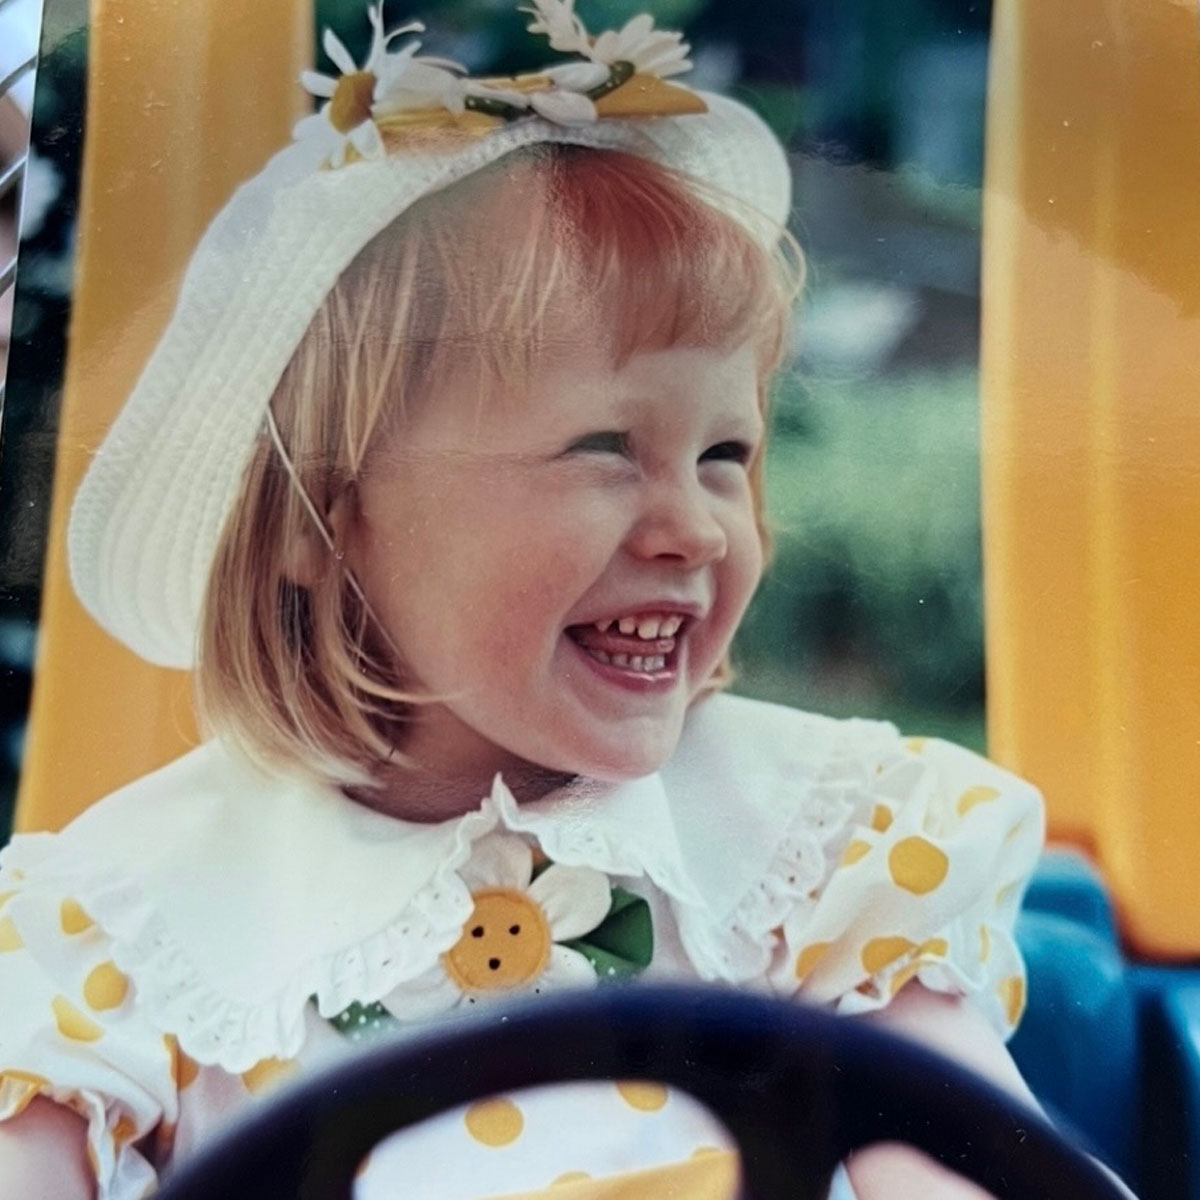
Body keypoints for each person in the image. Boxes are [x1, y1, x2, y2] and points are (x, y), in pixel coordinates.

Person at [0, 3, 1049, 1197]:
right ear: (317, 521)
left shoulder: (823, 856)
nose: (700, 526)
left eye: (725, 455)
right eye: (603, 448)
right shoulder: (125, 935)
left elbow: (972, 1171)